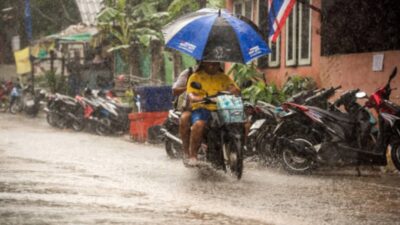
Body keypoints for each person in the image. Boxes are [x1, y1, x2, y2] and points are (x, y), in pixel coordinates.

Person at [185, 61, 240, 166]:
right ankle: (193, 156)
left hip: (222, 109)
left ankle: (238, 149)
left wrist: (234, 90)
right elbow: (191, 96)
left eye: (216, 63)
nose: (213, 65)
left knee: (242, 123)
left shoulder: (224, 77)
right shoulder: (195, 77)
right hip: (202, 108)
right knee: (198, 125)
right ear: (204, 63)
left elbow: (234, 89)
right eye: (210, 63)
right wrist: (202, 98)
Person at [172, 65, 197, 161]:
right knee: (185, 119)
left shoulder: (218, 74)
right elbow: (174, 91)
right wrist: (188, 88)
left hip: (212, 107)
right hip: (190, 107)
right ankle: (187, 151)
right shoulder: (188, 73)